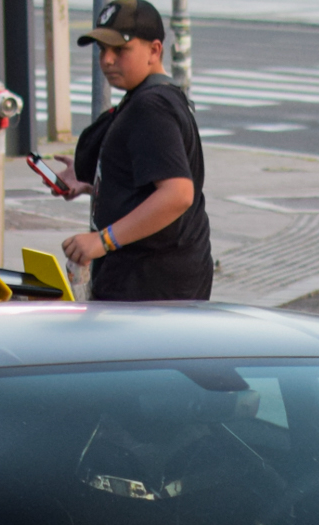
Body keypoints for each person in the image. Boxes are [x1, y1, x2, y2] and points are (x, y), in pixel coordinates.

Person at [50, 0, 213, 301]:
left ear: (154, 50)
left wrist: (102, 240)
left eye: (120, 50)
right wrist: (95, 182)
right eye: (102, 50)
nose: (107, 60)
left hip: (151, 289)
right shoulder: (152, 98)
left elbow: (178, 194)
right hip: (153, 284)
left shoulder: (152, 107)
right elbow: (148, 183)